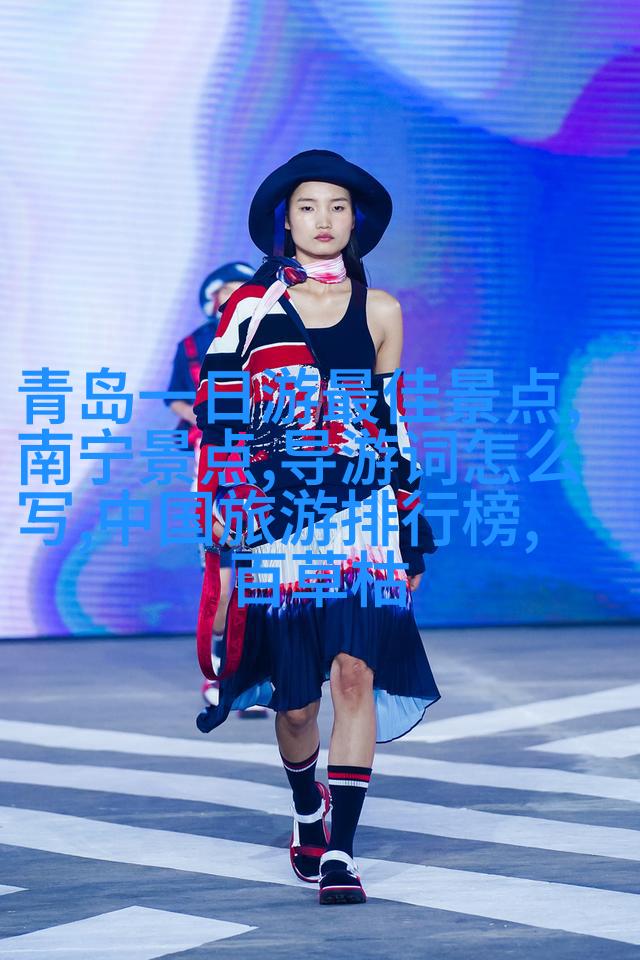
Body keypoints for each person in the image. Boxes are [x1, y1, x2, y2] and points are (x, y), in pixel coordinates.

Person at [194, 150, 441, 904]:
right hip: (278, 517)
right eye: (308, 206)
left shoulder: (382, 310)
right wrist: (231, 500)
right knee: (296, 699)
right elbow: (217, 411)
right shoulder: (249, 307)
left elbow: (390, 422)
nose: (324, 219)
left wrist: (411, 529)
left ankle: (341, 850)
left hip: (362, 514)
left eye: (338, 206)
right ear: (286, 220)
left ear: (355, 220)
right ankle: (308, 807)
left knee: (355, 674)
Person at [166, 261, 268, 717]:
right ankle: (219, 671)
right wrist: (210, 418)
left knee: (265, 579)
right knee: (224, 581)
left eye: (245, 287)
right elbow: (177, 397)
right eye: (228, 288)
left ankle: (258, 674)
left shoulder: (273, 336)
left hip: (268, 470)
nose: (237, 295)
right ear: (211, 299)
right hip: (217, 471)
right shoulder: (193, 345)